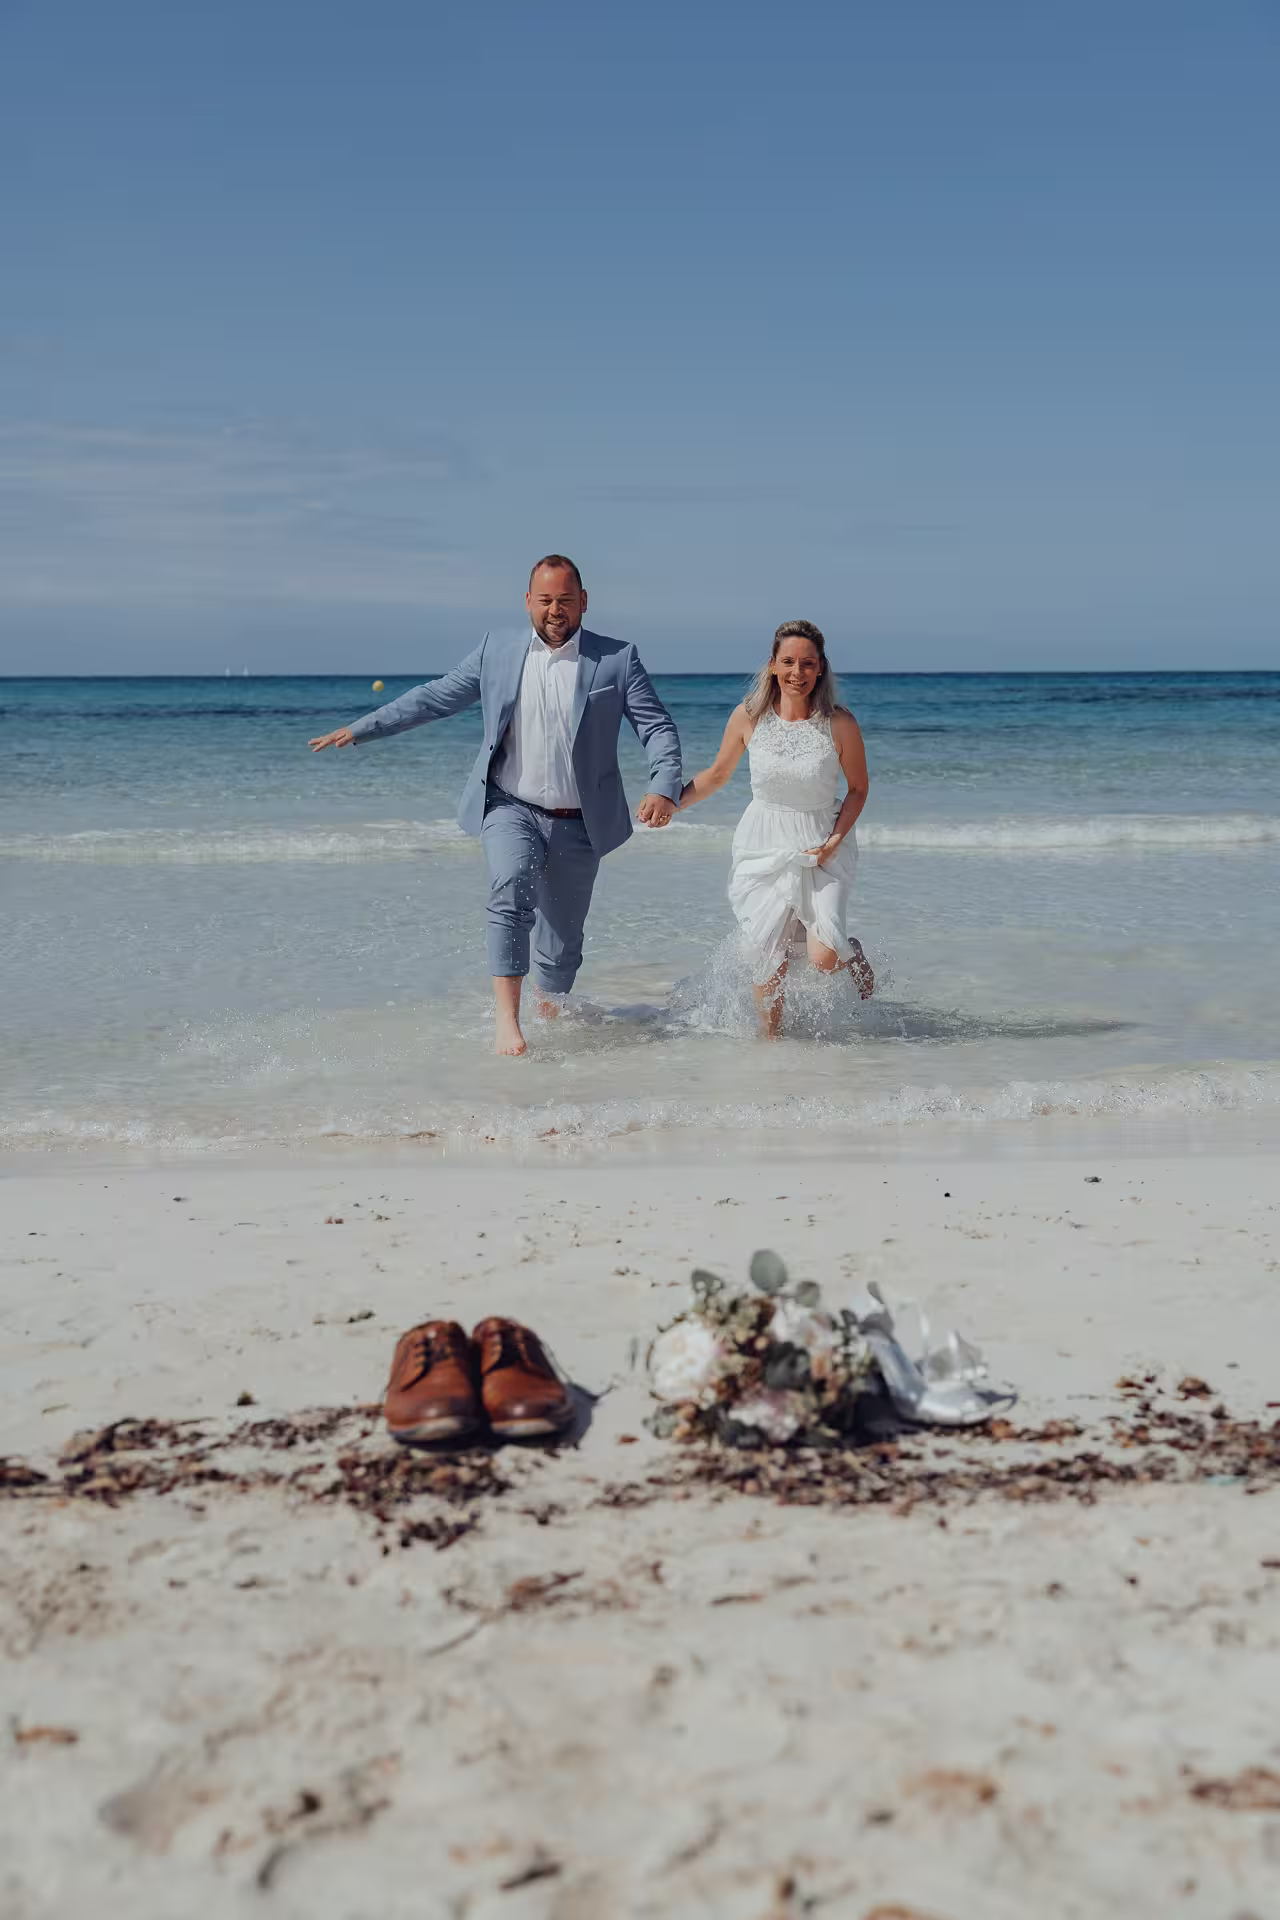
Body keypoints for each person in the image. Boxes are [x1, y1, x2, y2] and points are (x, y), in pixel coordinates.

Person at [309, 556, 683, 1056]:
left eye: (565, 600)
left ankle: (551, 1016)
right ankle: (508, 1021)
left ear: (584, 603)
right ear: (528, 601)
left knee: (561, 946)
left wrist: (663, 785)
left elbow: (656, 727)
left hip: (580, 823)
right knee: (510, 887)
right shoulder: (497, 651)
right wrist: (363, 728)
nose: (555, 610)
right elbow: (436, 697)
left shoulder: (617, 659)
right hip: (511, 806)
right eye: (545, 600)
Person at [677, 619, 874, 1037]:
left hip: (823, 840)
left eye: (807, 663)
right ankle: (772, 1040)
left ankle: (851, 954)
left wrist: (833, 841)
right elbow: (715, 776)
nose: (796, 673)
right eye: (788, 662)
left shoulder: (839, 723)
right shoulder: (749, 717)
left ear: (820, 668)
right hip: (763, 841)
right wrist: (669, 803)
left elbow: (858, 788)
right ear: (772, 665)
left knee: (824, 957)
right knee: (766, 950)